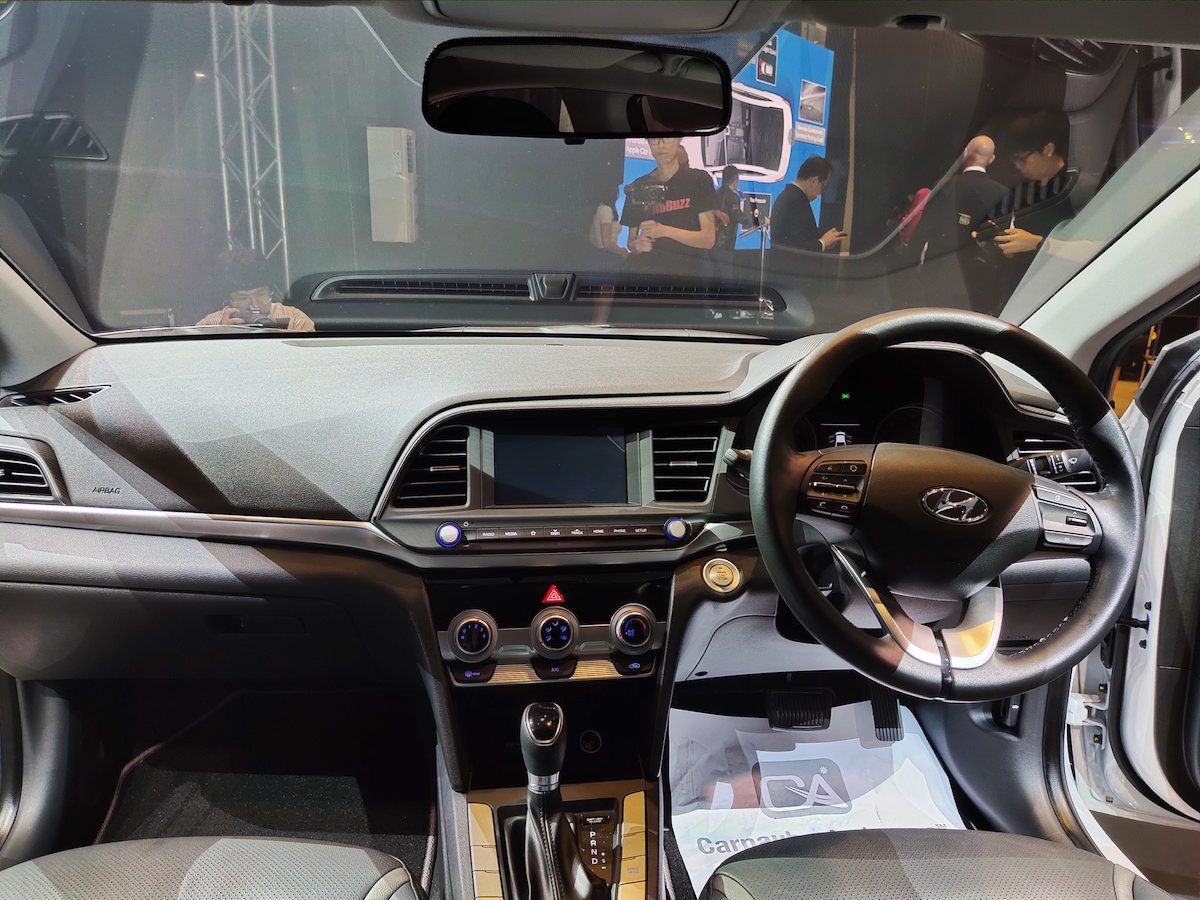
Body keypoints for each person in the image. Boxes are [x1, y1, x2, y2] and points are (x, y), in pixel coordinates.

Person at [620, 136, 717, 274]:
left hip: (691, 274)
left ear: (679, 140)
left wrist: (664, 231)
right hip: (652, 273)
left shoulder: (699, 180)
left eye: (667, 138)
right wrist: (637, 246)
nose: (661, 145)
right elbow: (631, 242)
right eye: (654, 140)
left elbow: (708, 239)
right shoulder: (638, 186)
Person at [989, 111, 1077, 259]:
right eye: (1013, 160)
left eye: (1021, 159)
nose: (1017, 166)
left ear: (1048, 149)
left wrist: (1038, 244)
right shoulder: (1024, 190)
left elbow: (1099, 247)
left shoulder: (1077, 187)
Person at [197, 251, 315, 331]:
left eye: (261, 294)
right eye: (243, 298)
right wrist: (222, 334)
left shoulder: (294, 318)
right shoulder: (210, 324)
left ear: (270, 292)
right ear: (228, 301)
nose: (254, 304)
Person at [770, 156, 845, 252]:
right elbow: (795, 247)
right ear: (814, 181)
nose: (821, 193)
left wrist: (824, 241)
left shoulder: (790, 196)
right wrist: (822, 243)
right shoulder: (795, 202)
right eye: (823, 188)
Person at [711, 165, 755, 285]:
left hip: (713, 240)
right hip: (726, 243)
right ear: (736, 179)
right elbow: (737, 216)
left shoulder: (715, 194)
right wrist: (751, 221)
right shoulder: (733, 197)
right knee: (727, 275)